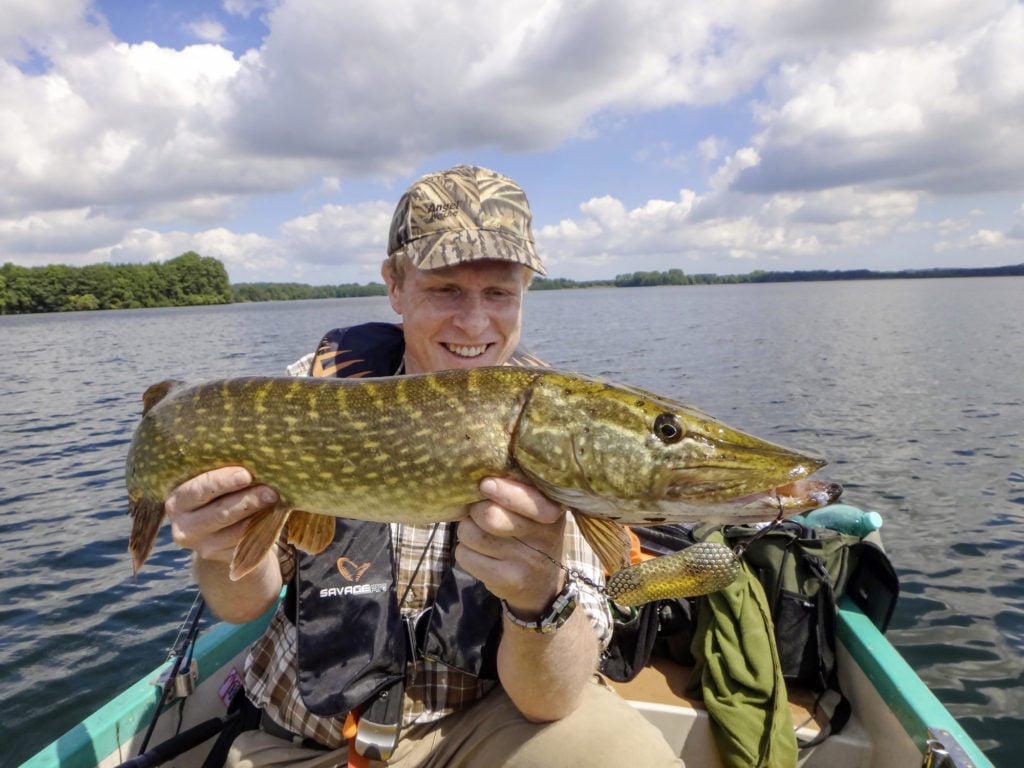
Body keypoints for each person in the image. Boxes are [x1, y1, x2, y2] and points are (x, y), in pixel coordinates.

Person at [164, 165, 683, 767]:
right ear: (394, 284)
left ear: (524, 296)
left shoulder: (560, 424)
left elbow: (550, 700)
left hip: (484, 726)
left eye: (498, 294)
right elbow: (240, 605)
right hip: (307, 739)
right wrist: (214, 540)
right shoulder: (306, 397)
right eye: (445, 290)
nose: (473, 324)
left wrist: (539, 595)